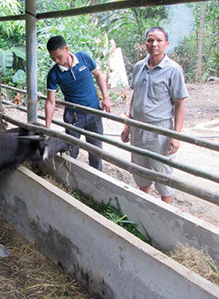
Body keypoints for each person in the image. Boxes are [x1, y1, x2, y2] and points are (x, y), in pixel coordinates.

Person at [121, 26, 188, 204]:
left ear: (166, 44)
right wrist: (128, 125)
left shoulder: (173, 70)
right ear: (145, 44)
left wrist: (176, 135)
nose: (154, 44)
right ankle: (145, 206)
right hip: (138, 127)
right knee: (140, 170)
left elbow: (180, 103)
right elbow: (135, 96)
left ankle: (166, 213)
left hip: (159, 129)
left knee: (162, 174)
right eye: (150, 40)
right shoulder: (139, 67)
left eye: (158, 40)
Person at [45, 35, 111, 171]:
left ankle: (96, 178)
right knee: (71, 150)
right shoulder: (54, 74)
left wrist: (105, 97)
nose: (57, 61)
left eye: (59, 57)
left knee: (96, 150)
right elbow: (50, 102)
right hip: (74, 117)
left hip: (94, 111)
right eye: (53, 58)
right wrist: (47, 127)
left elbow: (98, 75)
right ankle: (70, 178)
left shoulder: (83, 58)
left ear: (67, 49)